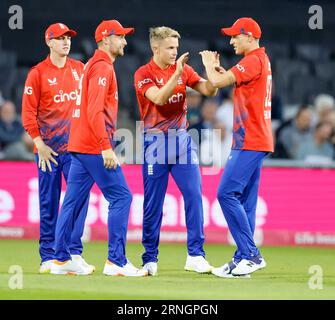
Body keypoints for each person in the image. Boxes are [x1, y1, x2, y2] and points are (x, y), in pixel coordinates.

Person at [51, 20, 147, 277]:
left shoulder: (92, 65)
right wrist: (106, 146)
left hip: (79, 144)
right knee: (122, 197)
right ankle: (116, 260)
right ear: (106, 39)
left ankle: (61, 259)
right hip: (94, 144)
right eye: (121, 37)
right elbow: (94, 111)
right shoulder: (103, 67)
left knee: (72, 201)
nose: (125, 42)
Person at [134, 26, 217, 276]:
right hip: (155, 143)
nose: (175, 52)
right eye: (170, 48)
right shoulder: (142, 73)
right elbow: (158, 98)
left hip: (182, 141)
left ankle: (196, 255)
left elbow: (208, 90)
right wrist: (178, 73)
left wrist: (212, 71)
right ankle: (149, 259)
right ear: (155, 48)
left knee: (194, 195)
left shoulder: (183, 69)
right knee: (153, 205)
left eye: (176, 48)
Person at [200, 17, 274, 277]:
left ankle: (252, 254)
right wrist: (219, 70)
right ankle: (243, 257)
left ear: (250, 37)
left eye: (235, 36)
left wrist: (209, 65)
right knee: (246, 201)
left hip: (250, 140)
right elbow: (229, 78)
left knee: (226, 194)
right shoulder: (258, 60)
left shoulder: (253, 59)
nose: (231, 40)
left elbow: (218, 83)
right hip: (254, 138)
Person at [22, 23, 93, 274]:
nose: (66, 42)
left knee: (79, 201)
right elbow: (28, 113)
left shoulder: (79, 69)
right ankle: (47, 256)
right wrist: (39, 144)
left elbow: (88, 106)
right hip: (48, 151)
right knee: (49, 203)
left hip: (75, 149)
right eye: (60, 38)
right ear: (49, 42)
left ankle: (73, 252)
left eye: (68, 38)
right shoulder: (38, 73)